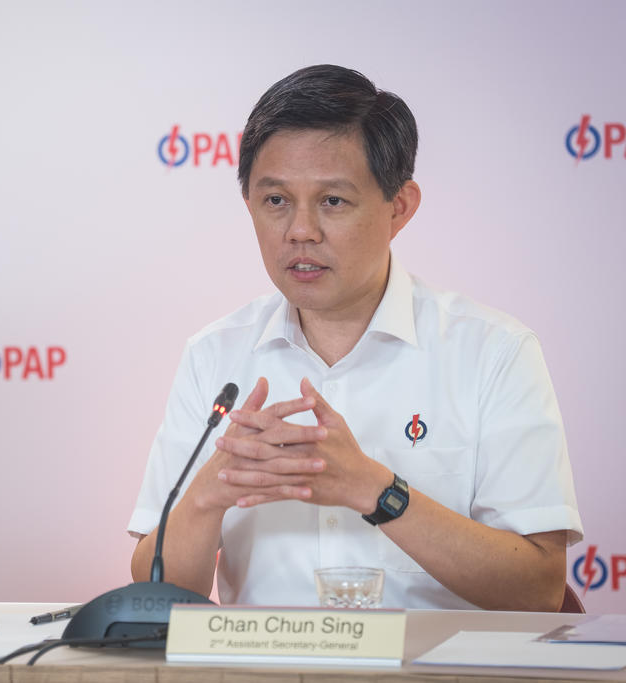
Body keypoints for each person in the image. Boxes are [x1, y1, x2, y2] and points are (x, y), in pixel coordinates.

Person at [127, 65, 582, 611]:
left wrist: (376, 490)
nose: (300, 231)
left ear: (399, 207)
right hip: (261, 659)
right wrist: (208, 495)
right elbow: (153, 593)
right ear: (249, 205)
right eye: (276, 201)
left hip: (435, 660)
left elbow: (538, 589)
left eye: (332, 201)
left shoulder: (493, 352)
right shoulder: (214, 356)